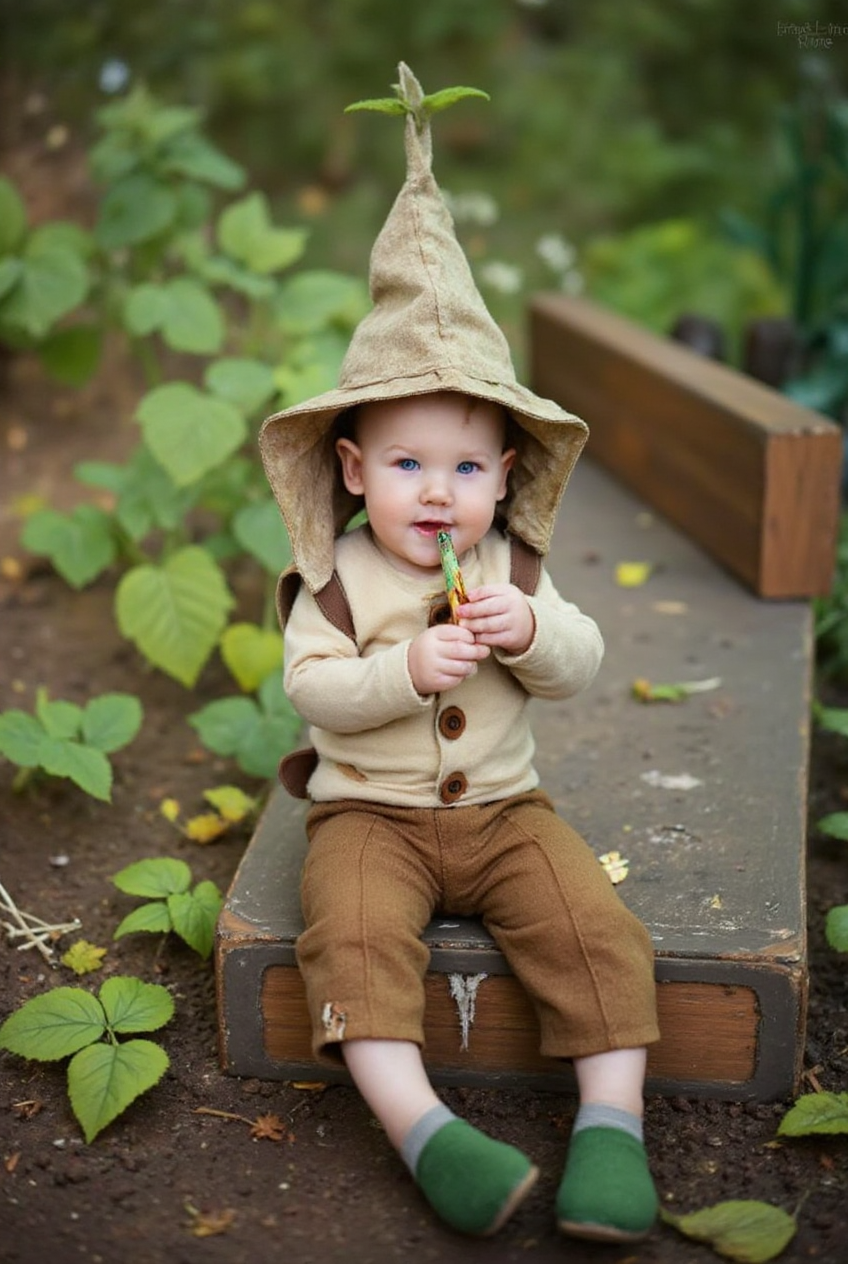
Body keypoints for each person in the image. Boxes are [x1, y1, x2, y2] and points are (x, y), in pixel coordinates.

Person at [260, 64, 660, 1242]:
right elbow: (312, 692)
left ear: (505, 474)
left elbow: (579, 661)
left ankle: (609, 1126)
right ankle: (426, 1131)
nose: (439, 492)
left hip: (504, 810)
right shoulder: (338, 584)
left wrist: (528, 634)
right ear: (348, 469)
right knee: (350, 935)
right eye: (405, 465)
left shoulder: (508, 571)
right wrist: (403, 674)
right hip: (368, 816)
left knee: (590, 926)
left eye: (469, 467)